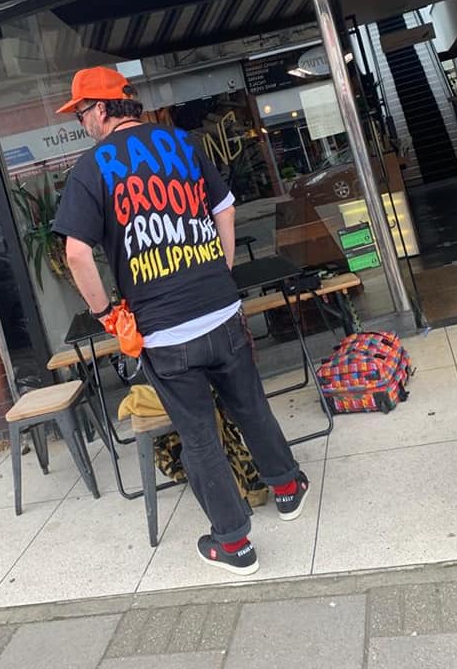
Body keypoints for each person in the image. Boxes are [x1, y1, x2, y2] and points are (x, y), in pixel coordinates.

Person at [53, 66, 308, 575]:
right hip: (221, 311)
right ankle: (286, 488)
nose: (81, 123)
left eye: (81, 113)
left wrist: (106, 315)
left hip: (164, 332)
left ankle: (234, 544)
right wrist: (221, 269)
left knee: (199, 435)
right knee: (250, 406)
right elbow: (225, 210)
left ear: (101, 108)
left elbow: (77, 253)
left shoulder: (91, 168)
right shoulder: (182, 143)